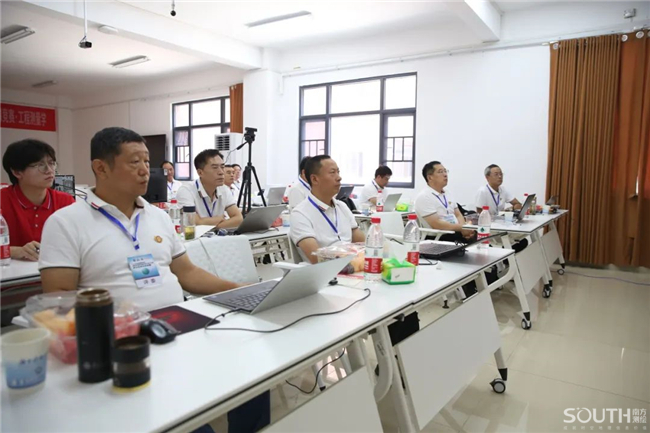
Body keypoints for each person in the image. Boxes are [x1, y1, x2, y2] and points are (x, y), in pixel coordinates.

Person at [38, 127, 269, 433]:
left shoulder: (157, 216)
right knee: (188, 422)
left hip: (179, 323)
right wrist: (118, 327)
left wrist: (240, 290)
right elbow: (59, 298)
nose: (145, 170)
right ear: (101, 168)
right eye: (135, 162)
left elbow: (187, 273)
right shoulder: (66, 222)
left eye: (147, 162)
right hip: (124, 339)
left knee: (254, 378)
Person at [1, 139, 75, 261]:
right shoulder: (3, 200)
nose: (49, 170)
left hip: (55, 268)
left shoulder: (65, 201)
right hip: (10, 272)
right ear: (17, 172)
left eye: (52, 163)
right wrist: (15, 251)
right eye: (40, 165)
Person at [290, 155, 365, 263]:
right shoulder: (300, 214)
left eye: (338, 172)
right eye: (332, 172)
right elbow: (317, 258)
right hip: (327, 271)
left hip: (354, 265)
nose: (339, 177)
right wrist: (353, 259)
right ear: (314, 179)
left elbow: (362, 244)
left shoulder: (342, 207)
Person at [176, 150, 243, 229]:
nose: (221, 172)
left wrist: (211, 225)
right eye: (215, 168)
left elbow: (238, 218)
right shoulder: (186, 190)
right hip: (193, 236)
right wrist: (221, 220)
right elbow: (193, 221)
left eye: (222, 167)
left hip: (217, 235)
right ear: (200, 173)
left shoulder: (224, 189)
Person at [414, 161, 475, 242]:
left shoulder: (447, 192)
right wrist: (462, 228)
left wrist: (465, 230)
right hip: (439, 237)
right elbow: (437, 224)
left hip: (455, 232)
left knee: (482, 237)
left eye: (445, 171)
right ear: (430, 177)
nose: (445, 174)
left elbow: (458, 214)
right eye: (440, 172)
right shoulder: (424, 197)